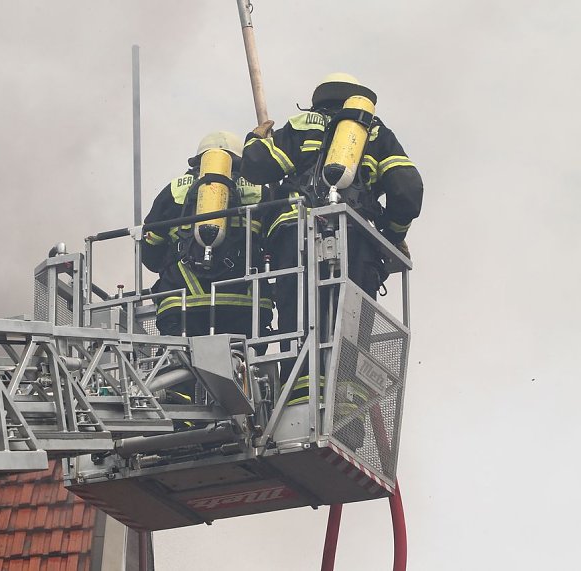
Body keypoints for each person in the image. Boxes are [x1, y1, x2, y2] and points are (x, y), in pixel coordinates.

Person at [240, 73, 423, 449]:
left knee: (299, 327)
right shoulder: (374, 132)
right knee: (350, 330)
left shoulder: (298, 126)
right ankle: (347, 422)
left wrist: (256, 140)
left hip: (294, 239)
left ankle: (298, 414)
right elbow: (407, 189)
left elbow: (257, 168)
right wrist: (392, 235)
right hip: (355, 241)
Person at [142, 131, 274, 403]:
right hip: (245, 305)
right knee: (245, 377)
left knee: (180, 375)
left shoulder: (175, 190)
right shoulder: (261, 190)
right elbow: (278, 242)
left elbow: (150, 254)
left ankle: (184, 413)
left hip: (182, 305)